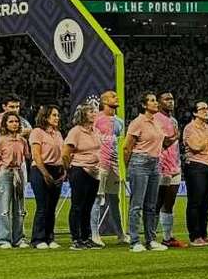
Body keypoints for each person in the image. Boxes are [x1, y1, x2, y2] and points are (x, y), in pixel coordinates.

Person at [125, 93, 169, 253]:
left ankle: (151, 240)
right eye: (152, 100)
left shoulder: (156, 122)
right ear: (144, 105)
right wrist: (128, 166)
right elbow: (127, 146)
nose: (155, 103)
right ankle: (135, 240)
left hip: (155, 162)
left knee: (151, 205)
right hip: (140, 162)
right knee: (136, 204)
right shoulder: (137, 122)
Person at [0, 95, 32, 241]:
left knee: (20, 205)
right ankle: (1, 237)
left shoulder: (22, 132)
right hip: (5, 168)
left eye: (17, 107)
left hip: (19, 169)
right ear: (4, 107)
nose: (15, 110)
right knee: (2, 206)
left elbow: (30, 136)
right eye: (12, 107)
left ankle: (18, 237)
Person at [62, 104, 102, 251]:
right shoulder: (75, 132)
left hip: (94, 172)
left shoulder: (95, 131)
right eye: (90, 111)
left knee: (88, 207)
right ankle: (76, 239)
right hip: (80, 170)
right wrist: (70, 170)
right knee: (77, 206)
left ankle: (86, 237)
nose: (94, 113)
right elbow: (66, 153)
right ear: (83, 115)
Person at [90, 90, 125, 247]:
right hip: (100, 164)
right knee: (97, 199)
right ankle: (94, 234)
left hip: (114, 165)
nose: (116, 98)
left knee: (114, 200)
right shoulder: (96, 119)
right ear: (104, 101)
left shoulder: (119, 122)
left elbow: (117, 143)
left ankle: (120, 234)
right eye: (112, 96)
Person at [29, 105, 65, 250]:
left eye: (57, 115)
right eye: (54, 115)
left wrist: (63, 171)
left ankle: (50, 237)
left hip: (57, 170)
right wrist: (45, 173)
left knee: (52, 207)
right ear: (45, 117)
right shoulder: (37, 132)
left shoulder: (58, 134)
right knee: (42, 206)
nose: (57, 118)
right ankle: (37, 239)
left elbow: (62, 154)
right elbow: (36, 155)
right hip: (40, 169)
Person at [183, 101, 208, 247]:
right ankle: (195, 235)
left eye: (207, 108)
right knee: (195, 201)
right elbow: (195, 146)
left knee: (206, 202)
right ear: (195, 113)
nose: (206, 111)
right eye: (202, 109)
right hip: (196, 166)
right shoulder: (190, 128)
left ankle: (203, 233)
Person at [155, 92, 186, 249]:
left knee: (169, 203)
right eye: (166, 99)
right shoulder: (155, 119)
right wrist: (176, 137)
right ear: (159, 103)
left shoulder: (173, 120)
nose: (170, 102)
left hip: (174, 166)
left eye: (172, 99)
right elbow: (164, 142)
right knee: (157, 202)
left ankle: (167, 237)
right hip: (161, 166)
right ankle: (151, 236)